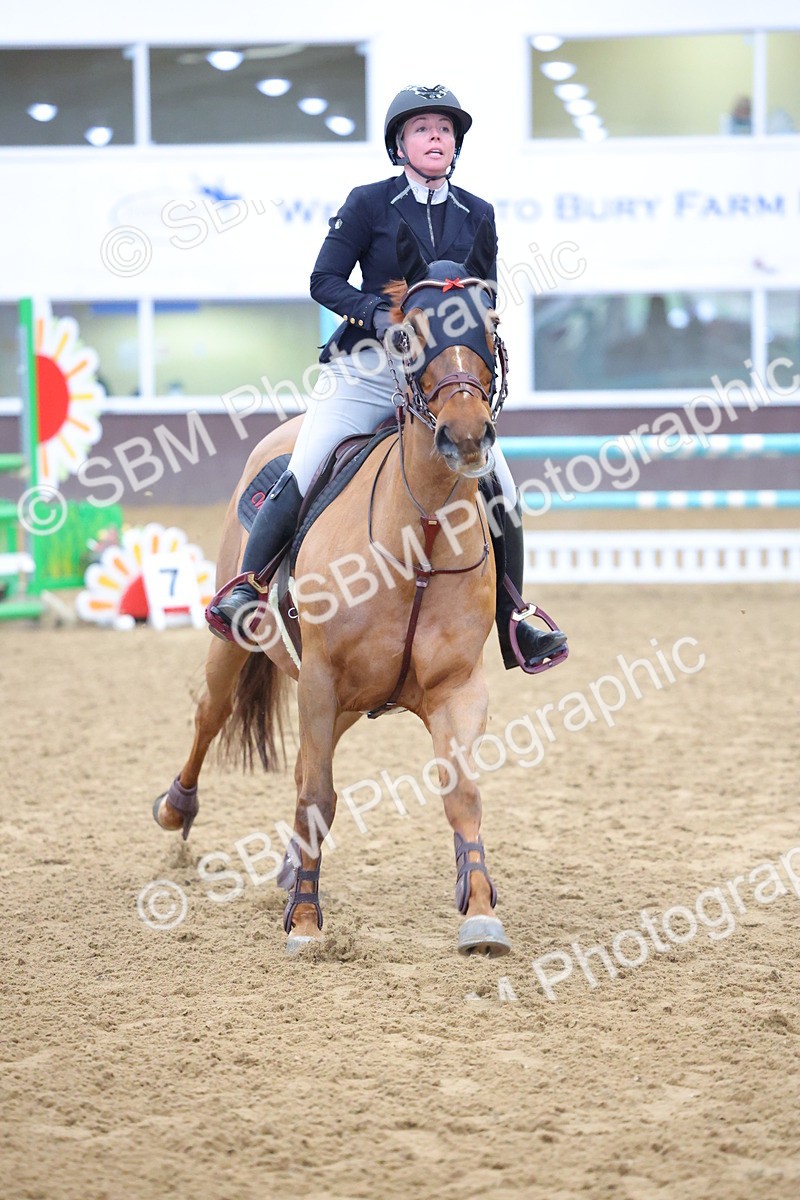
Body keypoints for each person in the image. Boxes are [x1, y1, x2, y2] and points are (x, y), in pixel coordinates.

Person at [208, 84, 567, 669]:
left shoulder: (479, 213)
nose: (436, 138)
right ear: (400, 144)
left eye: (445, 130)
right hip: (369, 370)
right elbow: (323, 280)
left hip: (439, 380)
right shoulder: (369, 203)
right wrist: (378, 313)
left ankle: (514, 616)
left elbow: (487, 294)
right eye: (423, 128)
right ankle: (250, 583)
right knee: (307, 462)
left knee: (502, 488)